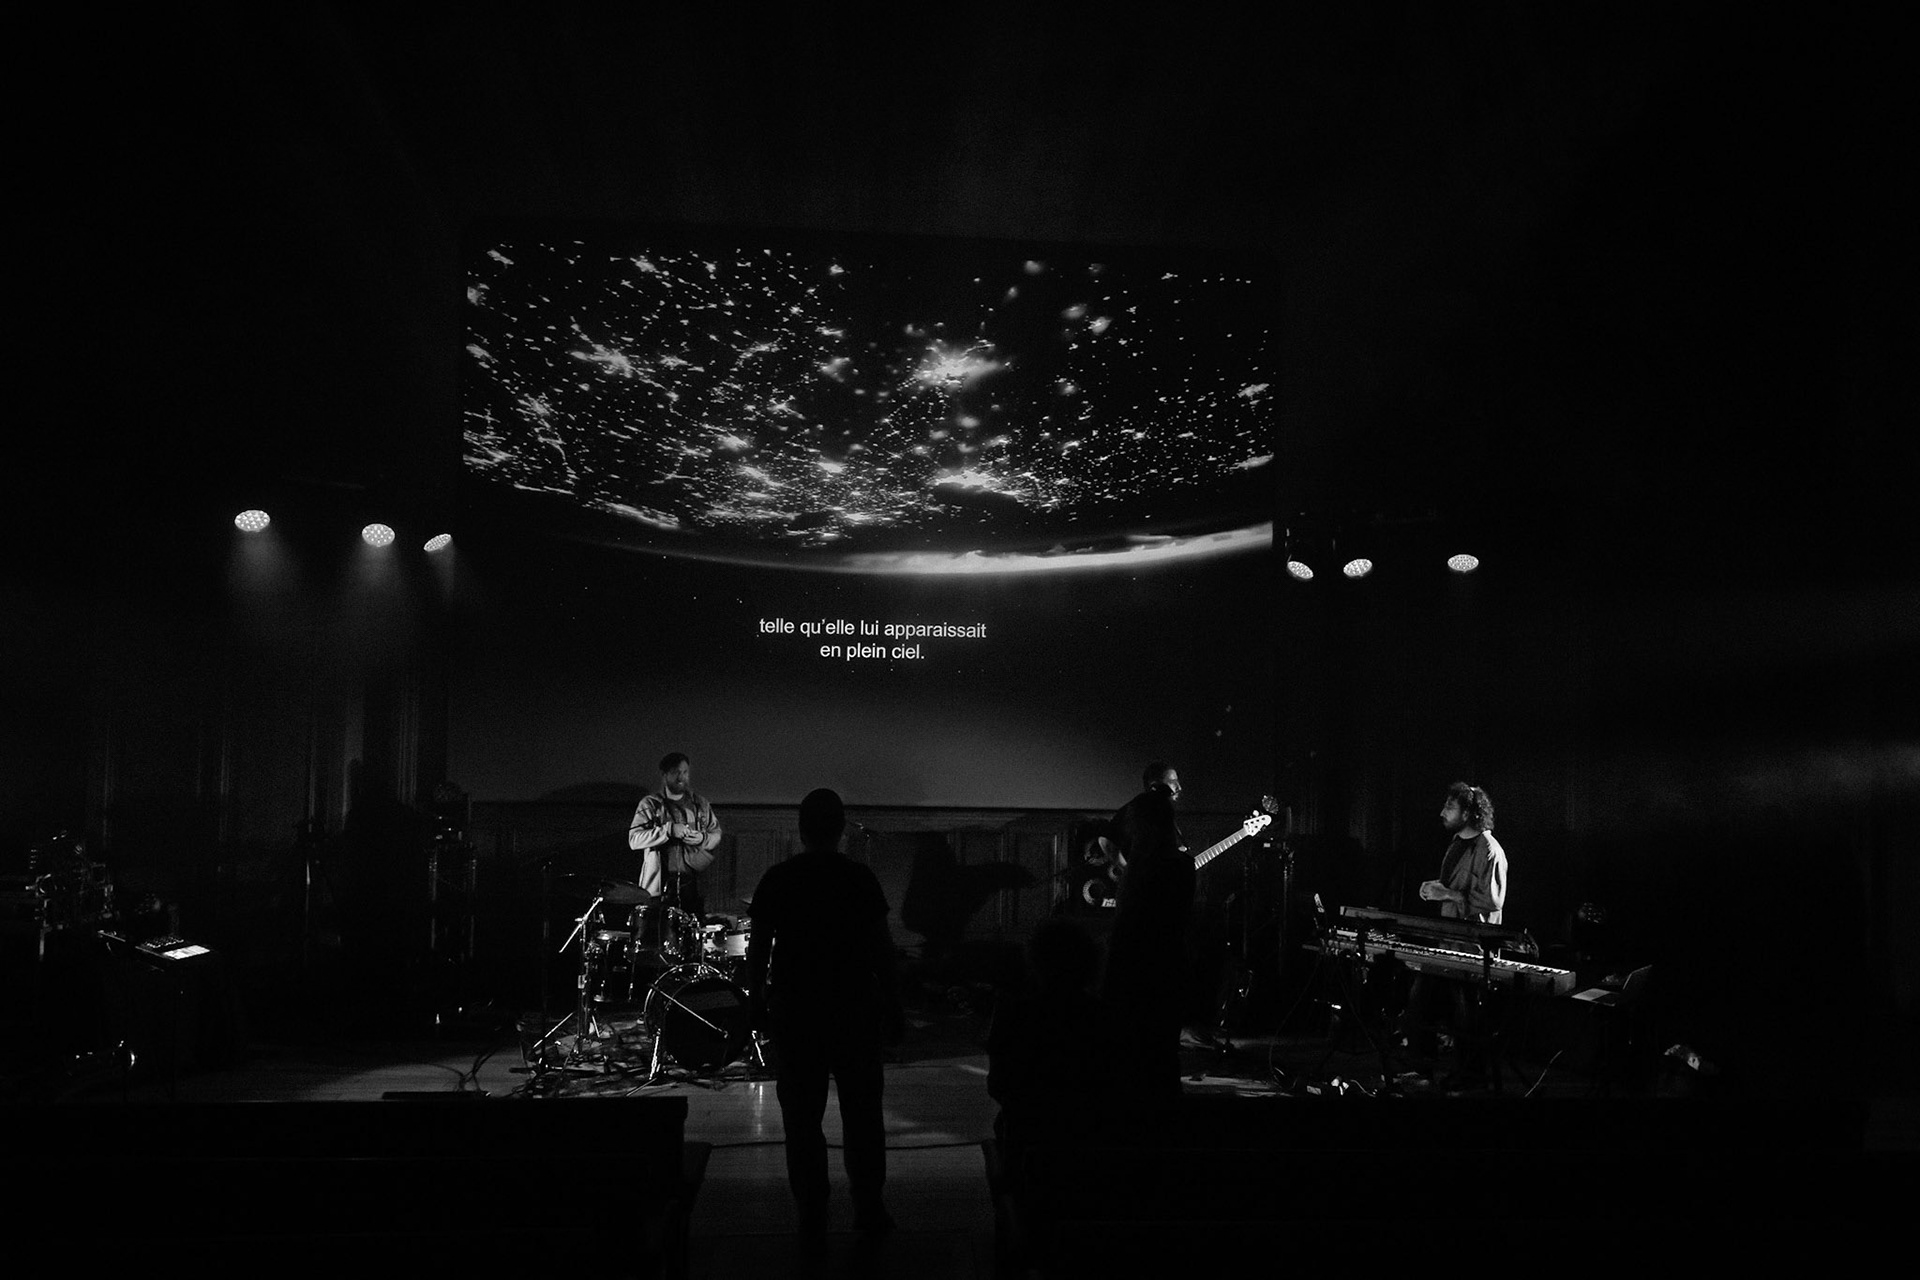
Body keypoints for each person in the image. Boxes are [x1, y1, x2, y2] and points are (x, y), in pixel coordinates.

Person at [745, 788, 905, 1251]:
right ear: (840, 829)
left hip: (797, 1010)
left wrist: (757, 1003)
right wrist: (894, 1006)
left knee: (801, 1118)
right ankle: (869, 1208)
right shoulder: (860, 878)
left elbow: (758, 952)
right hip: (854, 1007)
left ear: (801, 828)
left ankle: (812, 1213)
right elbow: (882, 950)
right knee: (863, 1115)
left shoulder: (779, 877)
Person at [1398, 782, 1509, 1088]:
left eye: (1450, 807)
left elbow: (1491, 902)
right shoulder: (1457, 843)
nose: (1442, 813)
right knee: (1420, 1003)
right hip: (1447, 941)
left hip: (1471, 949)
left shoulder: (1490, 850)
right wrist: (1435, 889)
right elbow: (1455, 888)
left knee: (1467, 1018)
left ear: (1470, 813)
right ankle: (1422, 1070)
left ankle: (1469, 1079)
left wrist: (1445, 892)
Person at [1098, 761, 1194, 1106]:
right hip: (1160, 940)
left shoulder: (1141, 815)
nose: (1178, 789)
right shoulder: (1156, 816)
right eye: (1172, 784)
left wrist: (1126, 866)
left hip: (1135, 933)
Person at [628, 752, 722, 957]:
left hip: (693, 890)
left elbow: (716, 835)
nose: (681, 778)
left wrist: (701, 838)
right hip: (658, 891)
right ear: (664, 775)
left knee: (692, 952)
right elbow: (634, 840)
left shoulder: (700, 804)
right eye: (675, 773)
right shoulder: (651, 804)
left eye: (685, 772)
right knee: (655, 950)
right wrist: (668, 831)